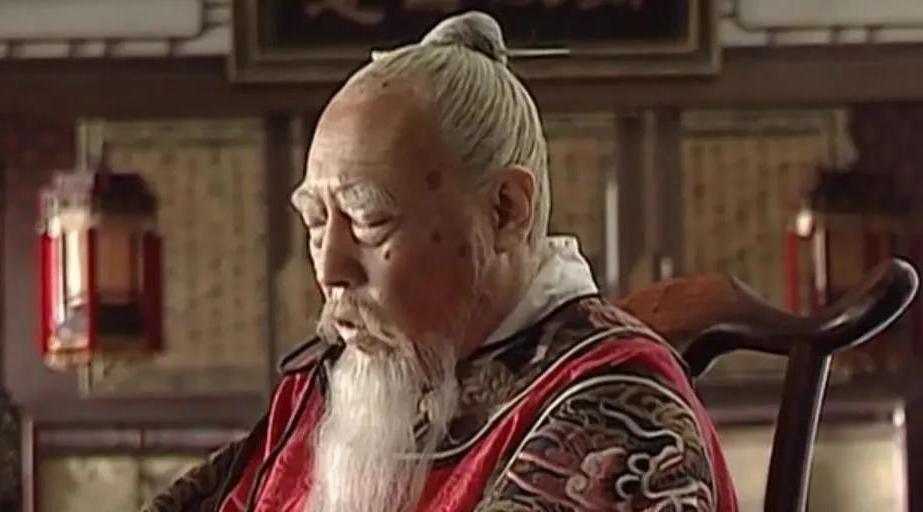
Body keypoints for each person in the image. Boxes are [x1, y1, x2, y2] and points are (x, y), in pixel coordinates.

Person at [144, 11, 738, 512]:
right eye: (317, 223)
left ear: (505, 211)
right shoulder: (329, 386)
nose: (329, 269)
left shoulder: (615, 412)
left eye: (368, 220)